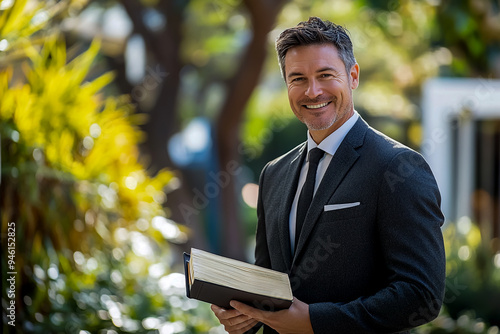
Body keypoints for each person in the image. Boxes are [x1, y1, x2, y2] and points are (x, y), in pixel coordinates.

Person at [211, 17, 446, 334]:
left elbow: (421, 296)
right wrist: (244, 314)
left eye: (325, 75)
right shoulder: (273, 173)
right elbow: (270, 277)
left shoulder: (399, 167)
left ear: (353, 76)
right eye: (298, 79)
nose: (313, 90)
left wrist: (314, 322)